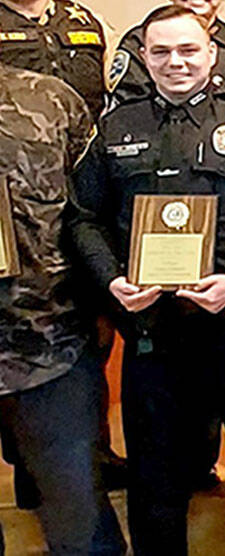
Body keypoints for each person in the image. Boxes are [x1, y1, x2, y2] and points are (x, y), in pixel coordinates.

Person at [68, 4, 225, 554]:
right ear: (143, 57)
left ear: (211, 53)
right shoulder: (113, 129)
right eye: (161, 51)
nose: (175, 62)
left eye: (187, 49)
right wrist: (112, 282)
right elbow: (83, 219)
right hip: (153, 329)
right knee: (155, 478)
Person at [0, 0, 123, 503]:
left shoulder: (82, 22)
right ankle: (33, 471)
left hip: (75, 197)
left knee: (85, 334)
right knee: (20, 346)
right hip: (11, 215)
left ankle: (92, 454)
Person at [0, 63, 125, 554]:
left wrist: (105, 306)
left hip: (50, 341)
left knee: (80, 522)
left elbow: (93, 214)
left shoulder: (50, 98)